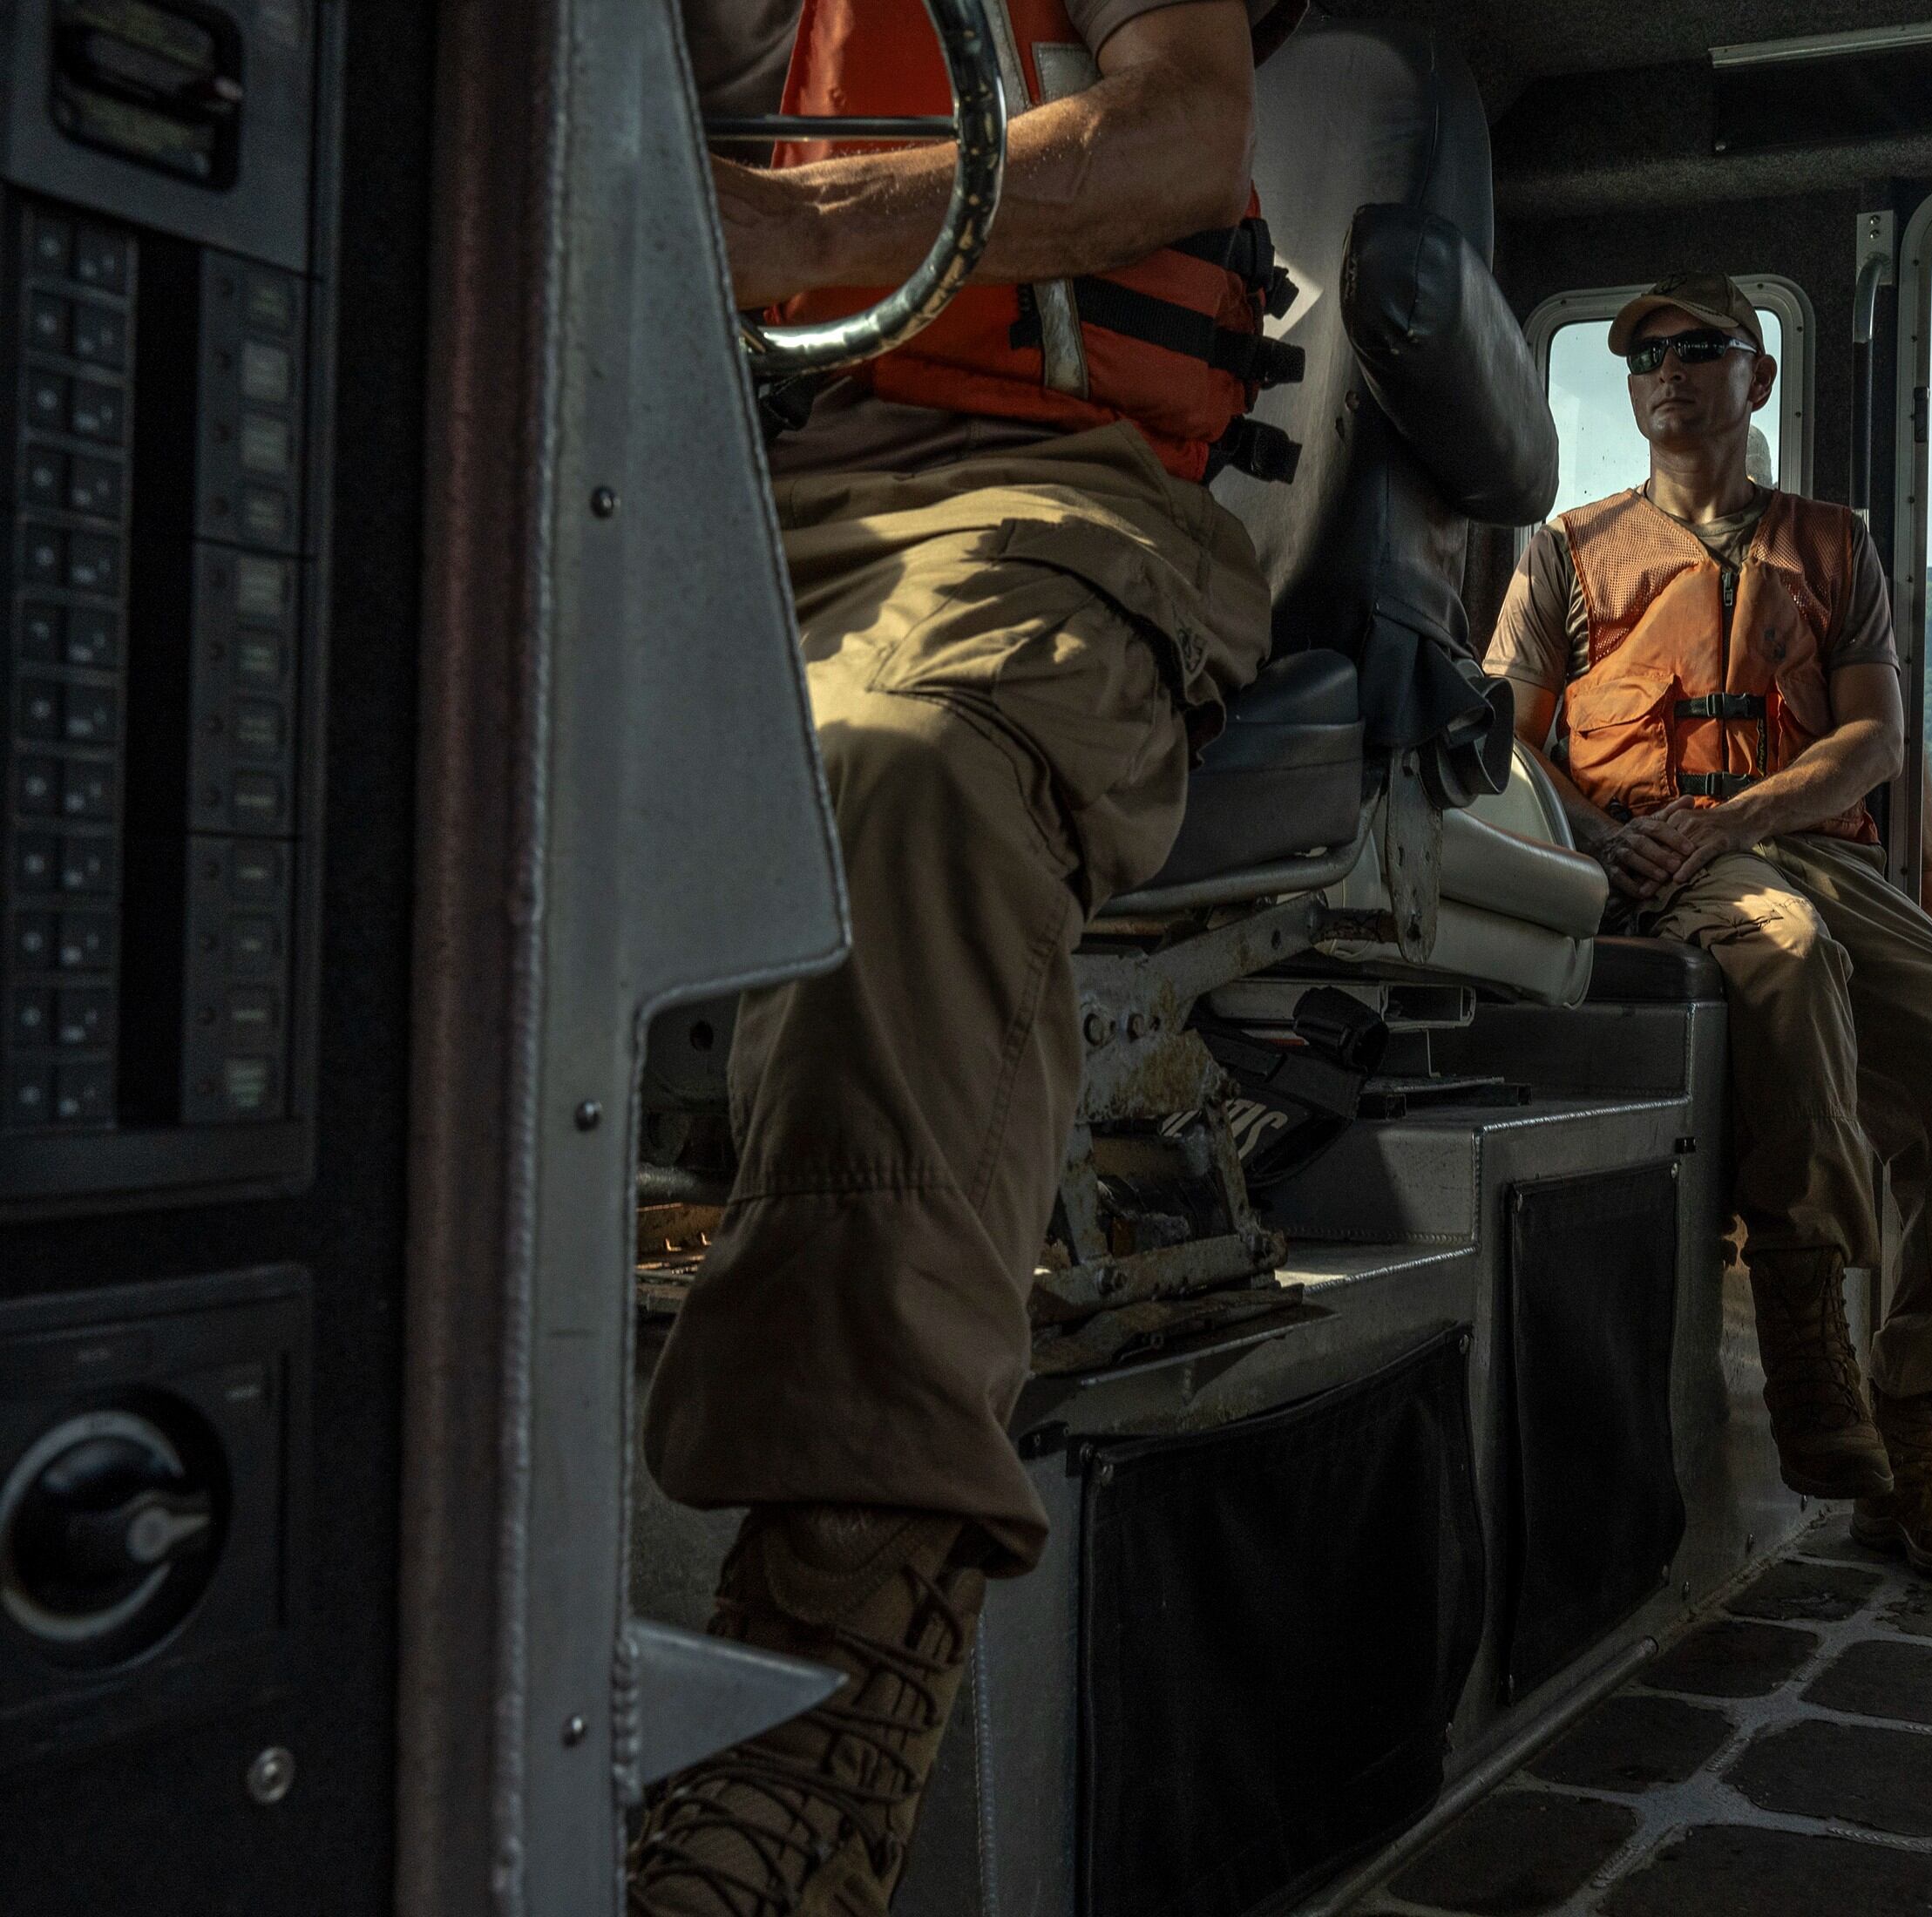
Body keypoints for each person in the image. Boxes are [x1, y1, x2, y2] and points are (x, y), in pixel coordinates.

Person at [634, 2, 1301, 1910]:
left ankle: (831, 1671)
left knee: (901, 775)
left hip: (1028, 485)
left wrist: (804, 226)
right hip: (672, 483)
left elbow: (1182, 132)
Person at [1484, 274, 1932, 1585]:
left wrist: (1736, 817)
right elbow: (1507, 741)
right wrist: (1606, 836)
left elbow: (1873, 742)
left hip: (1801, 845)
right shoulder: (1566, 552)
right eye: (1645, 358)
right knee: (1782, 948)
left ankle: (1925, 1435)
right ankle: (1803, 1321)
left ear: (1759, 377)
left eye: (1699, 348)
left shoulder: (1836, 548)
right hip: (1645, 858)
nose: (1668, 372)